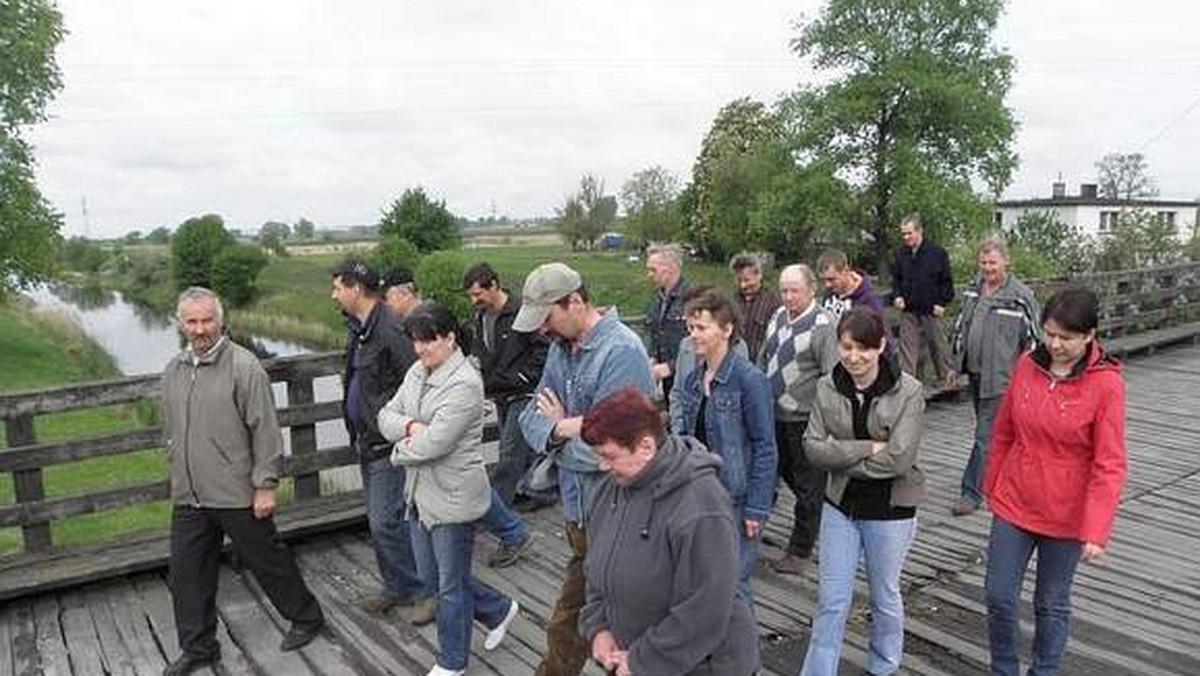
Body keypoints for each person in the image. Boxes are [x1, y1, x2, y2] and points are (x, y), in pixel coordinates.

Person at [161, 287, 324, 676]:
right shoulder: (174, 370)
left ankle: (307, 617)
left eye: (207, 320)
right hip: (190, 495)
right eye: (192, 321)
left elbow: (265, 430)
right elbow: (172, 427)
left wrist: (265, 484)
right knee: (187, 575)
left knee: (267, 561)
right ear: (180, 323)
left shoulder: (244, 366)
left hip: (237, 492)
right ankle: (199, 647)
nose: (200, 329)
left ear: (221, 321)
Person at [515, 262, 656, 676]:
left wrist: (559, 440)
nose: (542, 331)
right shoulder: (561, 349)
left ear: (575, 302)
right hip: (580, 513)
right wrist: (565, 427)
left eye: (548, 319)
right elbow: (529, 418)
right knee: (574, 622)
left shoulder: (622, 352)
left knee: (609, 627)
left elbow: (612, 452)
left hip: (618, 517)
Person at [983, 286, 1126, 676]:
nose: (1055, 343)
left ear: (1089, 336)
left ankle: (1043, 671)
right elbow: (1004, 431)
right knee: (998, 596)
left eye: (1066, 337)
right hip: (1015, 500)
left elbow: (1109, 463)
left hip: (1067, 513)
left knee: (1051, 601)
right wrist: (992, 486)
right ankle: (1004, 669)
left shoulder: (1107, 384)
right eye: (1049, 333)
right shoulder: (1028, 364)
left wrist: (1097, 529)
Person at [378, 301, 521, 676]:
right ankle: (499, 608)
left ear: (451, 338)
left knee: (450, 587)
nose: (421, 349)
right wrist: (410, 427)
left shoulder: (464, 384)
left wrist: (398, 450)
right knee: (432, 577)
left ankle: (452, 662)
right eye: (415, 341)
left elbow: (434, 446)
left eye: (429, 340)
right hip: (418, 493)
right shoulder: (417, 371)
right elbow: (385, 416)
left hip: (453, 497)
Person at [579, 388, 761, 676]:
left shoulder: (702, 504)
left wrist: (644, 661)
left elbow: (706, 608)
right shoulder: (608, 490)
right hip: (635, 660)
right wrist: (598, 627)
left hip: (706, 667)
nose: (602, 466)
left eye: (609, 456)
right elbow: (596, 571)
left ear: (646, 447)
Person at [800, 307, 926, 676]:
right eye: (847, 346)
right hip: (840, 504)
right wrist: (866, 447)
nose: (854, 357)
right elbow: (811, 447)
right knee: (831, 601)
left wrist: (838, 454)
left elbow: (899, 460)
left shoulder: (909, 391)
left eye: (864, 348)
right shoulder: (827, 385)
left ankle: (883, 667)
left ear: (881, 346)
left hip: (890, 509)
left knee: (884, 596)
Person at [330, 260, 433, 620]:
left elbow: (417, 380)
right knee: (383, 520)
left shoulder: (392, 328)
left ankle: (423, 590)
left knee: (388, 521)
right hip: (367, 440)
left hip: (389, 443)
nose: (333, 295)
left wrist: (407, 431)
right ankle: (399, 586)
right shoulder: (360, 328)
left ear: (356, 288)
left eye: (338, 287)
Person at [674, 287, 777, 602]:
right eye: (691, 328)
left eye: (702, 328)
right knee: (701, 580)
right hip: (700, 495)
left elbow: (765, 447)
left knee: (734, 585)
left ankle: (741, 651)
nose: (694, 335)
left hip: (736, 497)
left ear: (727, 329)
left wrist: (757, 509)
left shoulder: (749, 380)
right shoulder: (693, 380)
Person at [949, 237, 1041, 517]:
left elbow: (1034, 341)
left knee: (984, 436)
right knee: (997, 433)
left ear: (1006, 262)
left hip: (1003, 379)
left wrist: (1028, 378)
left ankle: (971, 492)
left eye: (993, 262)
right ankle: (1013, 477)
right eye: (984, 262)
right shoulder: (973, 291)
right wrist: (954, 366)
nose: (987, 267)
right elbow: (959, 330)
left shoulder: (1020, 296)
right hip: (976, 375)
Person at [758, 264, 839, 576]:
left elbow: (832, 376)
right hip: (773, 413)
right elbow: (765, 357)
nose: (789, 297)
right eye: (784, 290)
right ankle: (824, 512)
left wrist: (825, 421)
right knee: (782, 475)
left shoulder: (823, 325)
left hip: (804, 417)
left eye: (795, 290)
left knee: (808, 485)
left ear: (811, 289)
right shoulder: (778, 316)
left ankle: (801, 550)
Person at [462, 262, 554, 520]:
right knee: (519, 448)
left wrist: (523, 377)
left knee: (509, 453)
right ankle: (538, 493)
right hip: (500, 393)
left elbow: (543, 349)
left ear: (494, 285)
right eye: (470, 295)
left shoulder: (522, 313)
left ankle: (496, 511)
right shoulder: (481, 316)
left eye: (477, 294)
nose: (473, 300)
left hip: (524, 393)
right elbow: (481, 351)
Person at [890, 213, 957, 389]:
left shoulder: (937, 253)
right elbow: (895, 279)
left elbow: (947, 282)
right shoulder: (900, 254)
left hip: (931, 309)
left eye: (909, 233)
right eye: (903, 234)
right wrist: (897, 296)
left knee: (938, 347)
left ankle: (946, 380)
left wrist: (942, 303)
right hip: (909, 309)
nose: (906, 237)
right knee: (907, 350)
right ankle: (907, 385)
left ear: (919, 231)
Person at [645, 243, 691, 405]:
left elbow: (702, 345)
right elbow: (653, 332)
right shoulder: (657, 300)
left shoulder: (693, 299)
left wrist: (670, 367)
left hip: (690, 384)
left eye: (653, 270)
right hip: (667, 386)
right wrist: (652, 357)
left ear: (669, 268)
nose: (649, 275)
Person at [729, 252, 781, 360]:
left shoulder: (773, 302)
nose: (743, 285)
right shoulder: (730, 301)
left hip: (760, 367)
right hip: (734, 364)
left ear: (759, 275)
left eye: (747, 280)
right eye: (739, 280)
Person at [816, 249, 886, 320]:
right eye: (823, 280)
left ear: (846, 271)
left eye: (831, 279)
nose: (827, 285)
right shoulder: (829, 293)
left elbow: (878, 329)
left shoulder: (869, 300)